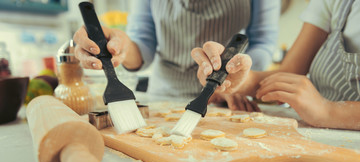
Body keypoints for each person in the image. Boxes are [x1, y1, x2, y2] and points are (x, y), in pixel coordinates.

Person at [73, 0, 281, 111]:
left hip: (228, 99)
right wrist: (122, 47)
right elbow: (143, 43)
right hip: (164, 97)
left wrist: (238, 78)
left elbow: (262, 41)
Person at [192, 0, 360, 130]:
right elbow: (288, 74)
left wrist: (329, 111)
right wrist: (238, 80)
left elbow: (325, 110)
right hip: (312, 135)